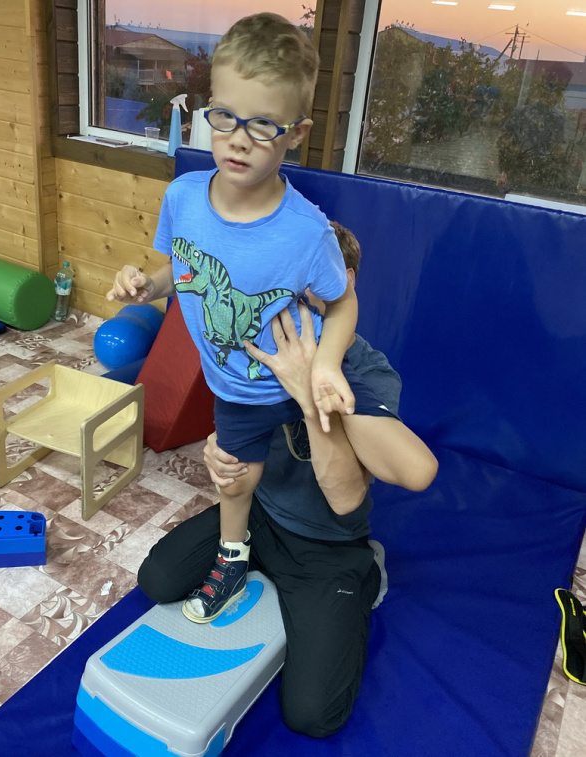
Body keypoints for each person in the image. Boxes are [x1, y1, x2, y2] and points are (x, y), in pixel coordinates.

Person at [107, 13, 424, 624]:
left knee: (365, 479)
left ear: (295, 133)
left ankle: (351, 558)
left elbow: (343, 301)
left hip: (299, 369)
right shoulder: (183, 198)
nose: (238, 139)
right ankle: (233, 560)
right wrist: (146, 286)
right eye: (224, 116)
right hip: (238, 386)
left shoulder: (305, 231)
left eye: (262, 125)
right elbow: (181, 270)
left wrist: (325, 367)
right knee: (233, 478)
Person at [137, 239, 437, 736]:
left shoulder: (369, 373)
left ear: (345, 286)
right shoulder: (258, 342)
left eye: (311, 285)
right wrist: (217, 450)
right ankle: (241, 562)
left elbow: (348, 497)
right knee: (157, 579)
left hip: (327, 544)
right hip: (259, 516)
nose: (293, 300)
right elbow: (235, 429)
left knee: (312, 715)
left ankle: (368, 572)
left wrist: (307, 388)